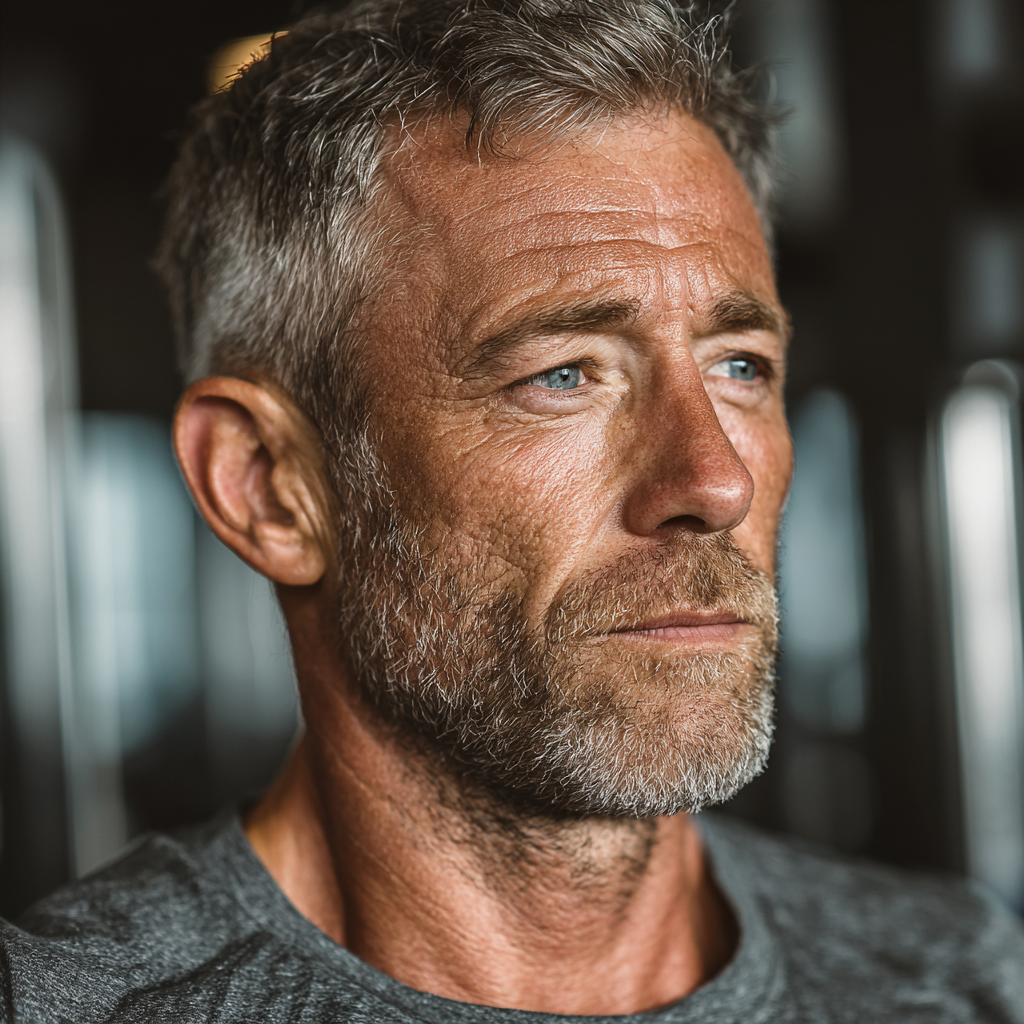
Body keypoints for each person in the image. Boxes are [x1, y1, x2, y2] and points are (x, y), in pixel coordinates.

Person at [4, 1, 1023, 1020]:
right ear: (268, 484)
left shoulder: (962, 975)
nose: (715, 482)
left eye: (740, 365)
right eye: (565, 373)